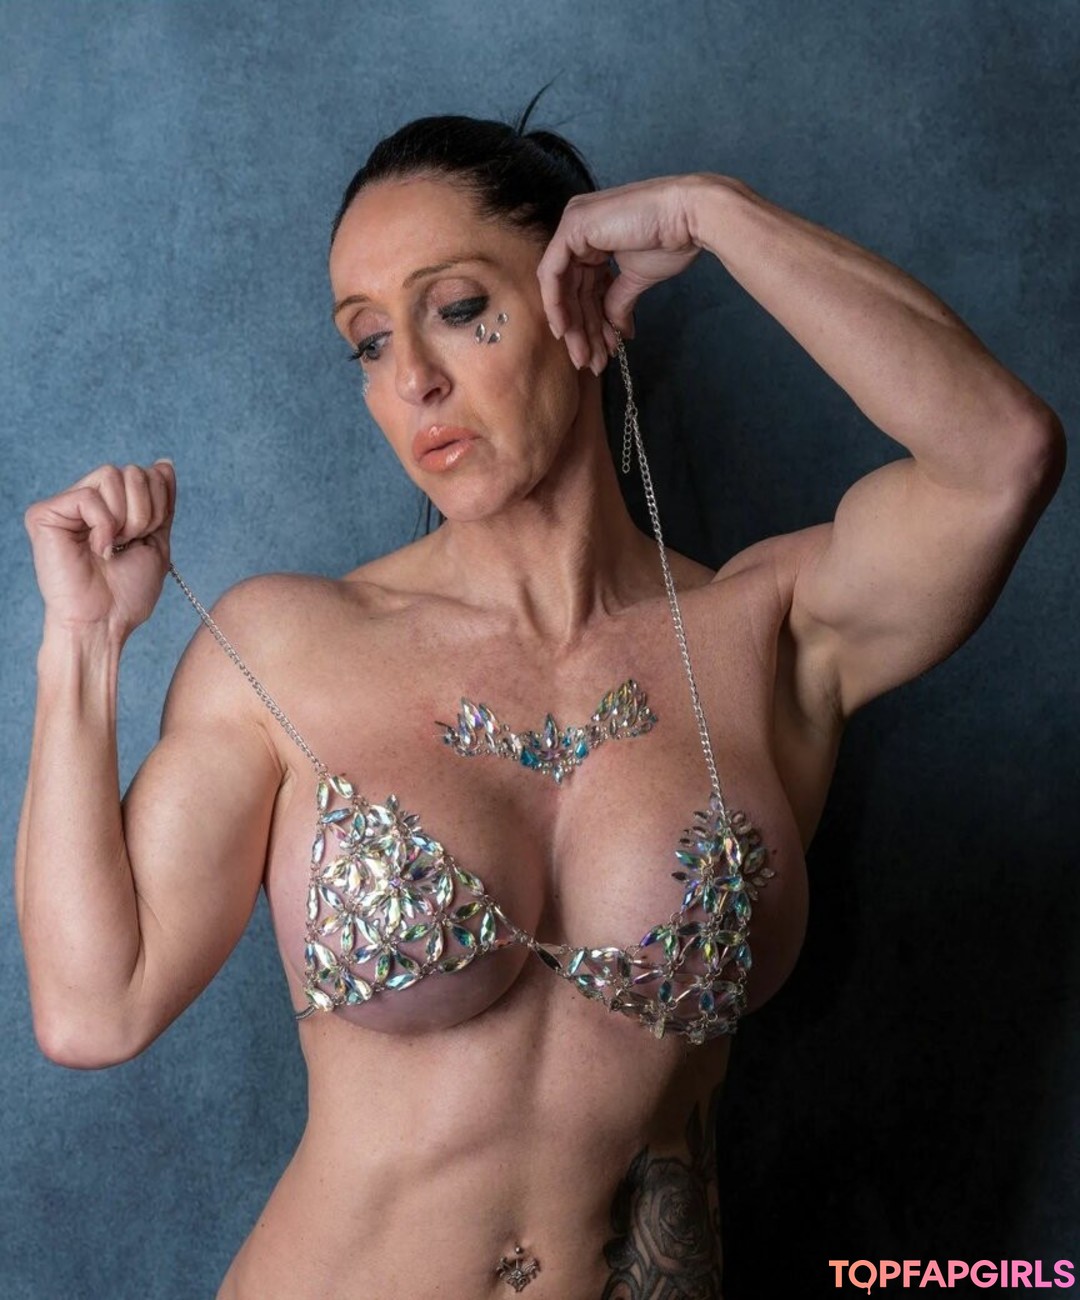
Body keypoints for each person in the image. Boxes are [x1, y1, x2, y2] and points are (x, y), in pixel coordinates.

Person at [15, 90, 1065, 1300]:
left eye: (460, 309)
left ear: (586, 297)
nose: (413, 378)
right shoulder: (287, 645)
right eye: (368, 341)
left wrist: (714, 212)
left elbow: (1004, 458)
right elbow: (95, 1008)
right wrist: (83, 644)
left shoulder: (764, 634)